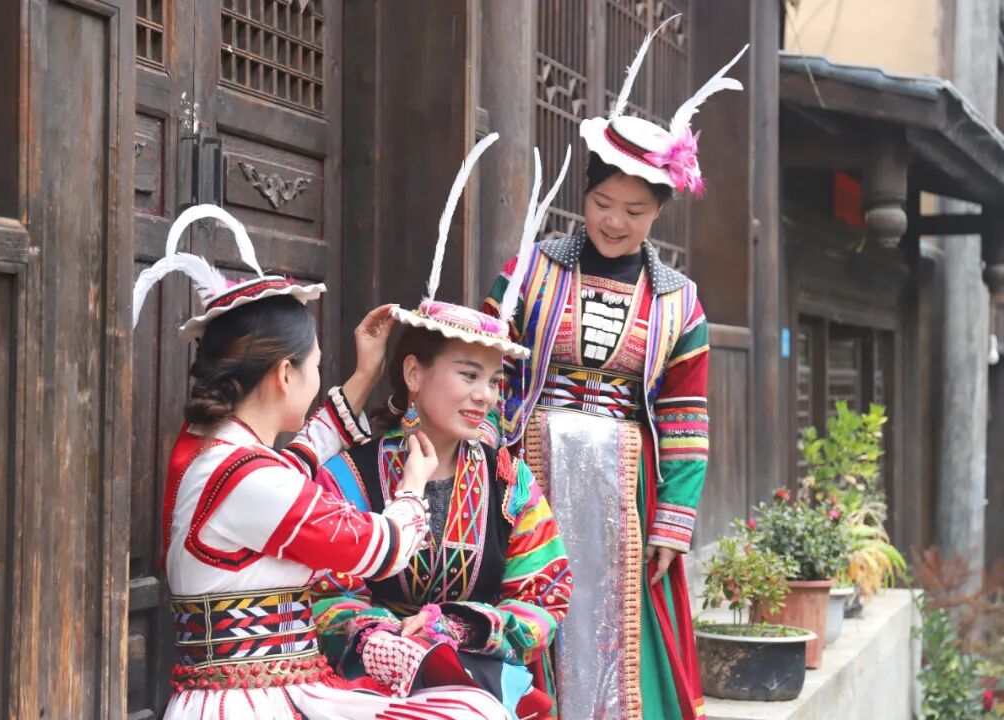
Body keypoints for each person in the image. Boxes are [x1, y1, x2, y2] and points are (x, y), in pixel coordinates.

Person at [132, 204, 510, 720]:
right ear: (284, 374)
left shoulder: (229, 460)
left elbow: (305, 453)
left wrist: (364, 374)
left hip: (276, 692)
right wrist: (413, 487)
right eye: (315, 366)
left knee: (471, 707)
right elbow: (382, 548)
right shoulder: (247, 478)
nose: (317, 379)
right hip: (246, 705)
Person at [481, 19, 749, 720]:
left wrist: (672, 525)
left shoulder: (679, 303)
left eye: (634, 210)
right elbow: (482, 366)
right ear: (584, 196)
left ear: (659, 211)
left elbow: (685, 422)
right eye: (602, 203)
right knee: (527, 600)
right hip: (528, 474)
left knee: (624, 624)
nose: (614, 221)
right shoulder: (530, 271)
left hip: (627, 492)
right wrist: (484, 462)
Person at [311, 137, 573, 720]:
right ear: (414, 372)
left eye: (494, 381)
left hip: (479, 681)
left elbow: (545, 594)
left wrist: (456, 627)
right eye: (467, 375)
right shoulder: (351, 477)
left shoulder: (510, 485)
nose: (485, 396)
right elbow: (323, 589)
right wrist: (378, 638)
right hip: (366, 683)